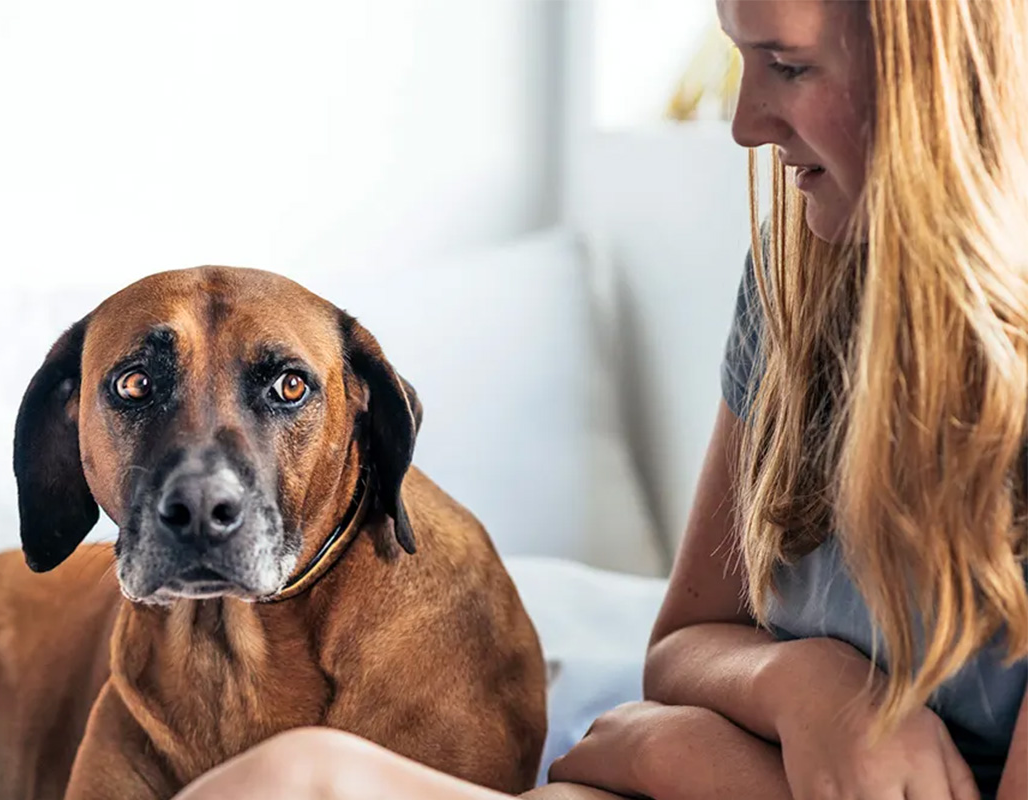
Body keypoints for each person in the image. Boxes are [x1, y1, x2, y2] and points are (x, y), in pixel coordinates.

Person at [175, 1, 1028, 798]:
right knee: (295, 774)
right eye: (741, 59)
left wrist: (672, 751)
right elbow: (683, 647)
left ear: (944, 78)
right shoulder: (800, 283)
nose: (744, 123)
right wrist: (804, 683)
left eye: (788, 65)